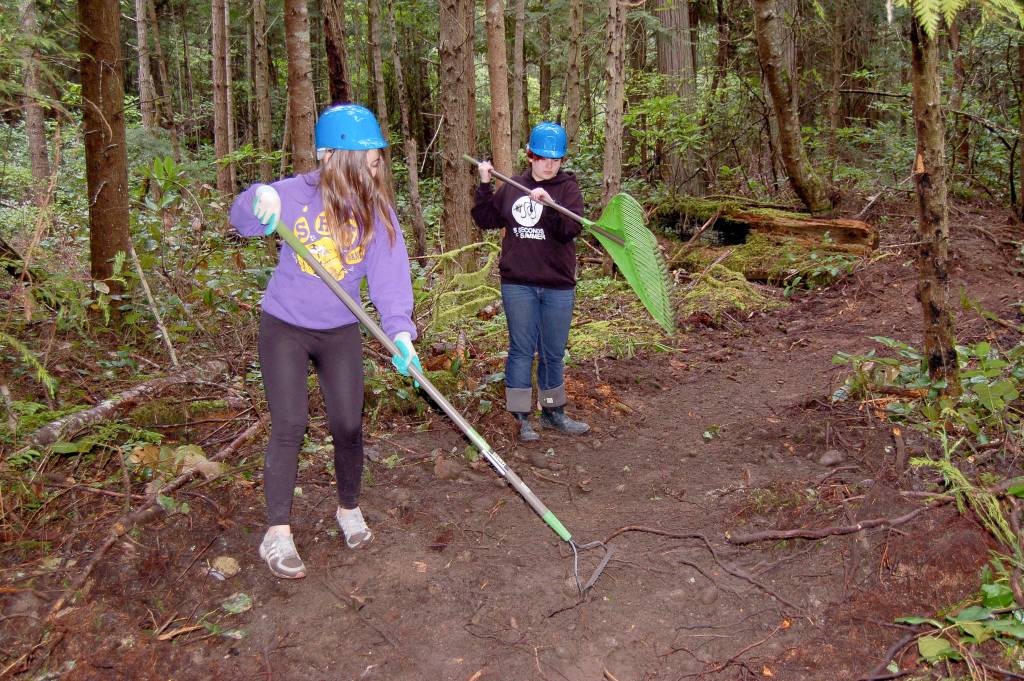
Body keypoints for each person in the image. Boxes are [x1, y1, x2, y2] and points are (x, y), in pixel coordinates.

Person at [230, 104, 421, 579]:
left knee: (347, 424)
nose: (375, 169)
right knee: (290, 423)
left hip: (340, 329)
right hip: (286, 326)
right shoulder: (292, 195)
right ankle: (276, 533)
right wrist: (258, 198)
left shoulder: (378, 212)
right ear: (332, 157)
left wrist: (400, 332)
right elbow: (243, 220)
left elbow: (390, 279)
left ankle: (348, 508)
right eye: (368, 161)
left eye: (377, 161)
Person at [471, 121, 590, 443]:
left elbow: (569, 231)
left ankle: (553, 413)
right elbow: (485, 219)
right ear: (530, 156)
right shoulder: (512, 186)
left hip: (558, 285)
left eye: (556, 159)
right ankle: (520, 417)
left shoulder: (568, 189)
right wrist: (484, 184)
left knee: (552, 352)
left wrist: (550, 207)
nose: (550, 164)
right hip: (518, 284)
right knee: (522, 349)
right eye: (543, 157)